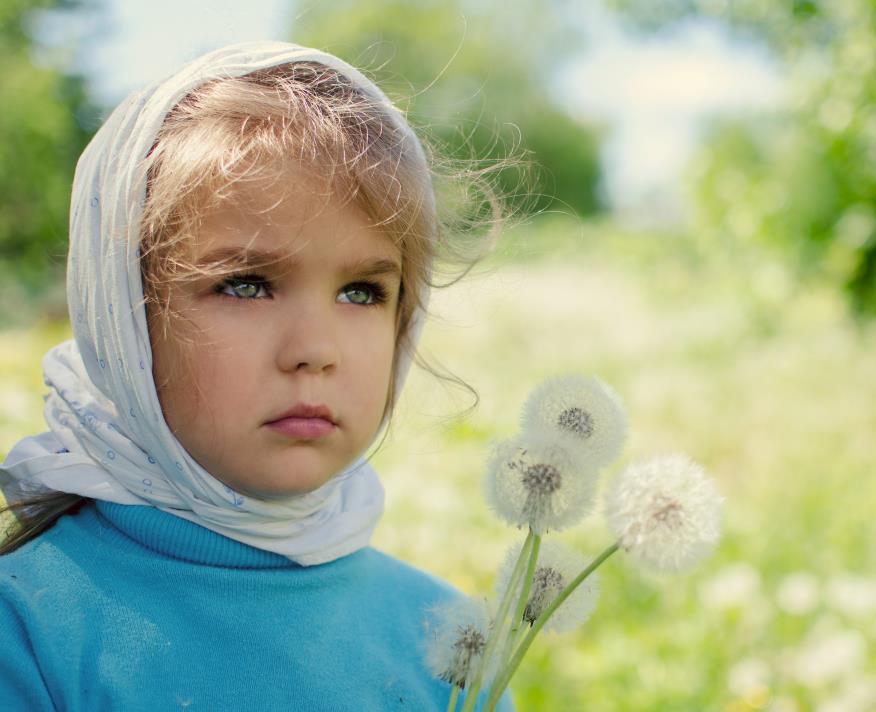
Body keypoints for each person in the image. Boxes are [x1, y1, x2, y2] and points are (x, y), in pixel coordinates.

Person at [0, 40, 512, 711]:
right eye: (247, 285)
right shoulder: (29, 628)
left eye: (362, 291)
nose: (315, 350)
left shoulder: (449, 643)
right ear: (121, 317)